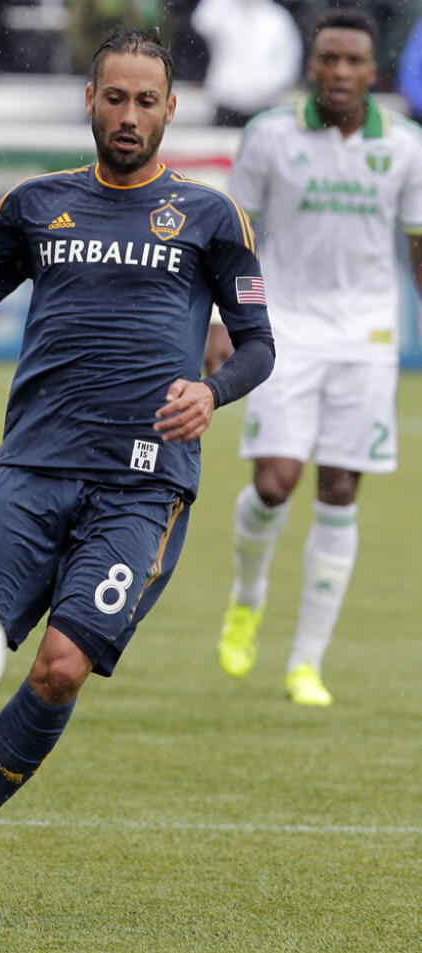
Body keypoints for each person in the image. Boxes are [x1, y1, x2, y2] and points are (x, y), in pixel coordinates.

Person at [0, 27, 275, 919]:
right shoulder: (35, 203)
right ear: (90, 101)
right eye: (114, 98)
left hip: (143, 484)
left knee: (58, 668)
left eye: (146, 101)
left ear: (171, 108)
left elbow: (260, 347)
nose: (129, 116)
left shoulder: (210, 217)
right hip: (32, 468)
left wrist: (213, 390)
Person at [216, 8, 422, 707]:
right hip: (285, 329)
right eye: (328, 59)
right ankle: (247, 597)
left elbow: (418, 245)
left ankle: (307, 662)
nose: (339, 72)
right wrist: (223, 318)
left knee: (340, 490)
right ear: (312, 63)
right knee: (274, 483)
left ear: (372, 71)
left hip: (367, 336)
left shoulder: (403, 146)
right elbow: (235, 236)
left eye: (352, 62)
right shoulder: (269, 135)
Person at [191, 0, 302, 128]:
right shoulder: (223, 11)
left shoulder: (278, 19)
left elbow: (289, 64)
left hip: (263, 107)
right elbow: (202, 22)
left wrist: (263, 88)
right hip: (226, 107)